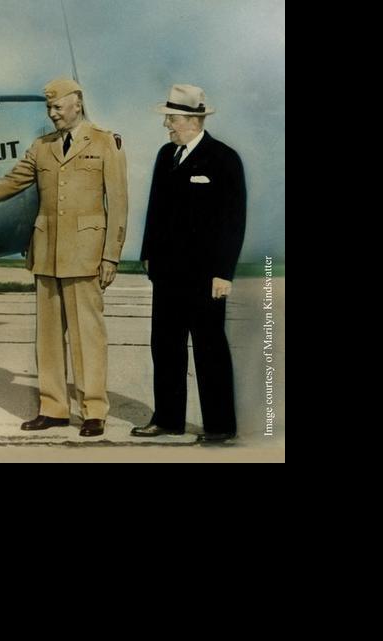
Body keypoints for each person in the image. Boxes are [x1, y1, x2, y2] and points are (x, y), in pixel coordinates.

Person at [0, 78, 127, 438]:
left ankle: (93, 411)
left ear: (77, 103)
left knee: (87, 337)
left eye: (58, 107)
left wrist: (111, 257)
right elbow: (9, 182)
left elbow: (119, 205)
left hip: (86, 255)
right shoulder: (41, 148)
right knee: (47, 340)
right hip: (47, 255)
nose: (52, 113)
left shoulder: (106, 142)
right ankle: (53, 408)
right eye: (49, 108)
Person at [131, 84, 246, 444]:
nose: (167, 124)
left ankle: (220, 425)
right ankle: (167, 418)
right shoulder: (166, 155)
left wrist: (223, 273)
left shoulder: (224, 159)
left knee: (209, 346)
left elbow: (233, 221)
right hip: (167, 273)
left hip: (205, 276)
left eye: (173, 118)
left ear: (195, 120)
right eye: (168, 118)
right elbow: (154, 210)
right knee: (164, 345)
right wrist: (147, 253)